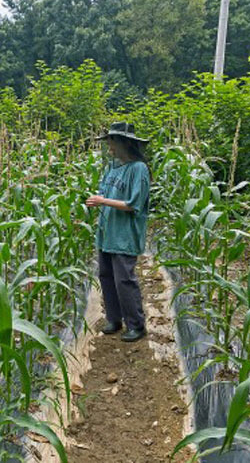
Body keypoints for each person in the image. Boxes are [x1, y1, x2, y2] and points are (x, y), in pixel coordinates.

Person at [86, 122, 151, 342]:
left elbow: (134, 204)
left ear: (124, 142)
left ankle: (136, 325)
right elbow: (104, 194)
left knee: (124, 280)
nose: (109, 147)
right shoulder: (111, 168)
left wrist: (103, 200)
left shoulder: (139, 169)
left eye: (111, 142)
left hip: (124, 235)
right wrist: (97, 201)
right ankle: (114, 319)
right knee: (106, 276)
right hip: (107, 232)